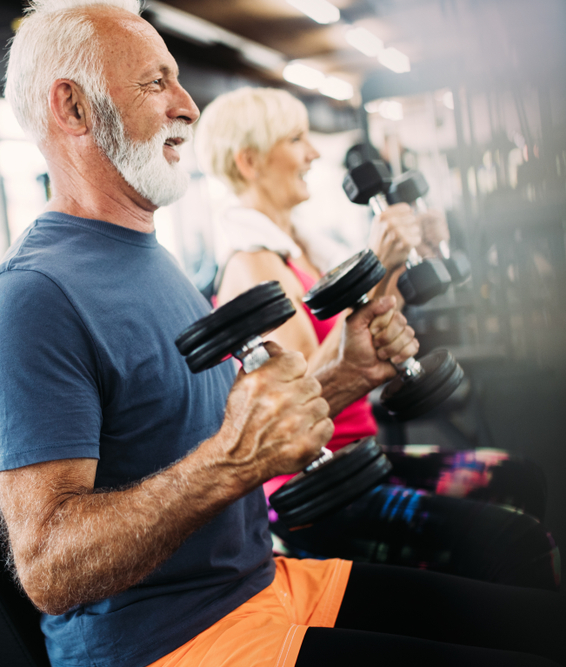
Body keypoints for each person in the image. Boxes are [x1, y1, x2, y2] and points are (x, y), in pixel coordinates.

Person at [0, 1, 565, 666]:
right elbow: (49, 568)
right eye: (155, 82)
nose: (188, 106)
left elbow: (230, 429)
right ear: (73, 108)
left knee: (542, 625)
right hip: (176, 641)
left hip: (266, 584)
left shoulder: (148, 256)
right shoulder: (32, 295)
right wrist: (232, 461)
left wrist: (345, 374)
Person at [194, 87, 557, 589]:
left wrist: (402, 259)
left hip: (361, 457)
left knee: (519, 478)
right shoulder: (253, 265)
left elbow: (372, 330)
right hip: (316, 491)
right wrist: (378, 261)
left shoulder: (302, 249)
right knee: (517, 542)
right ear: (250, 161)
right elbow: (305, 394)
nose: (314, 153)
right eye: (297, 139)